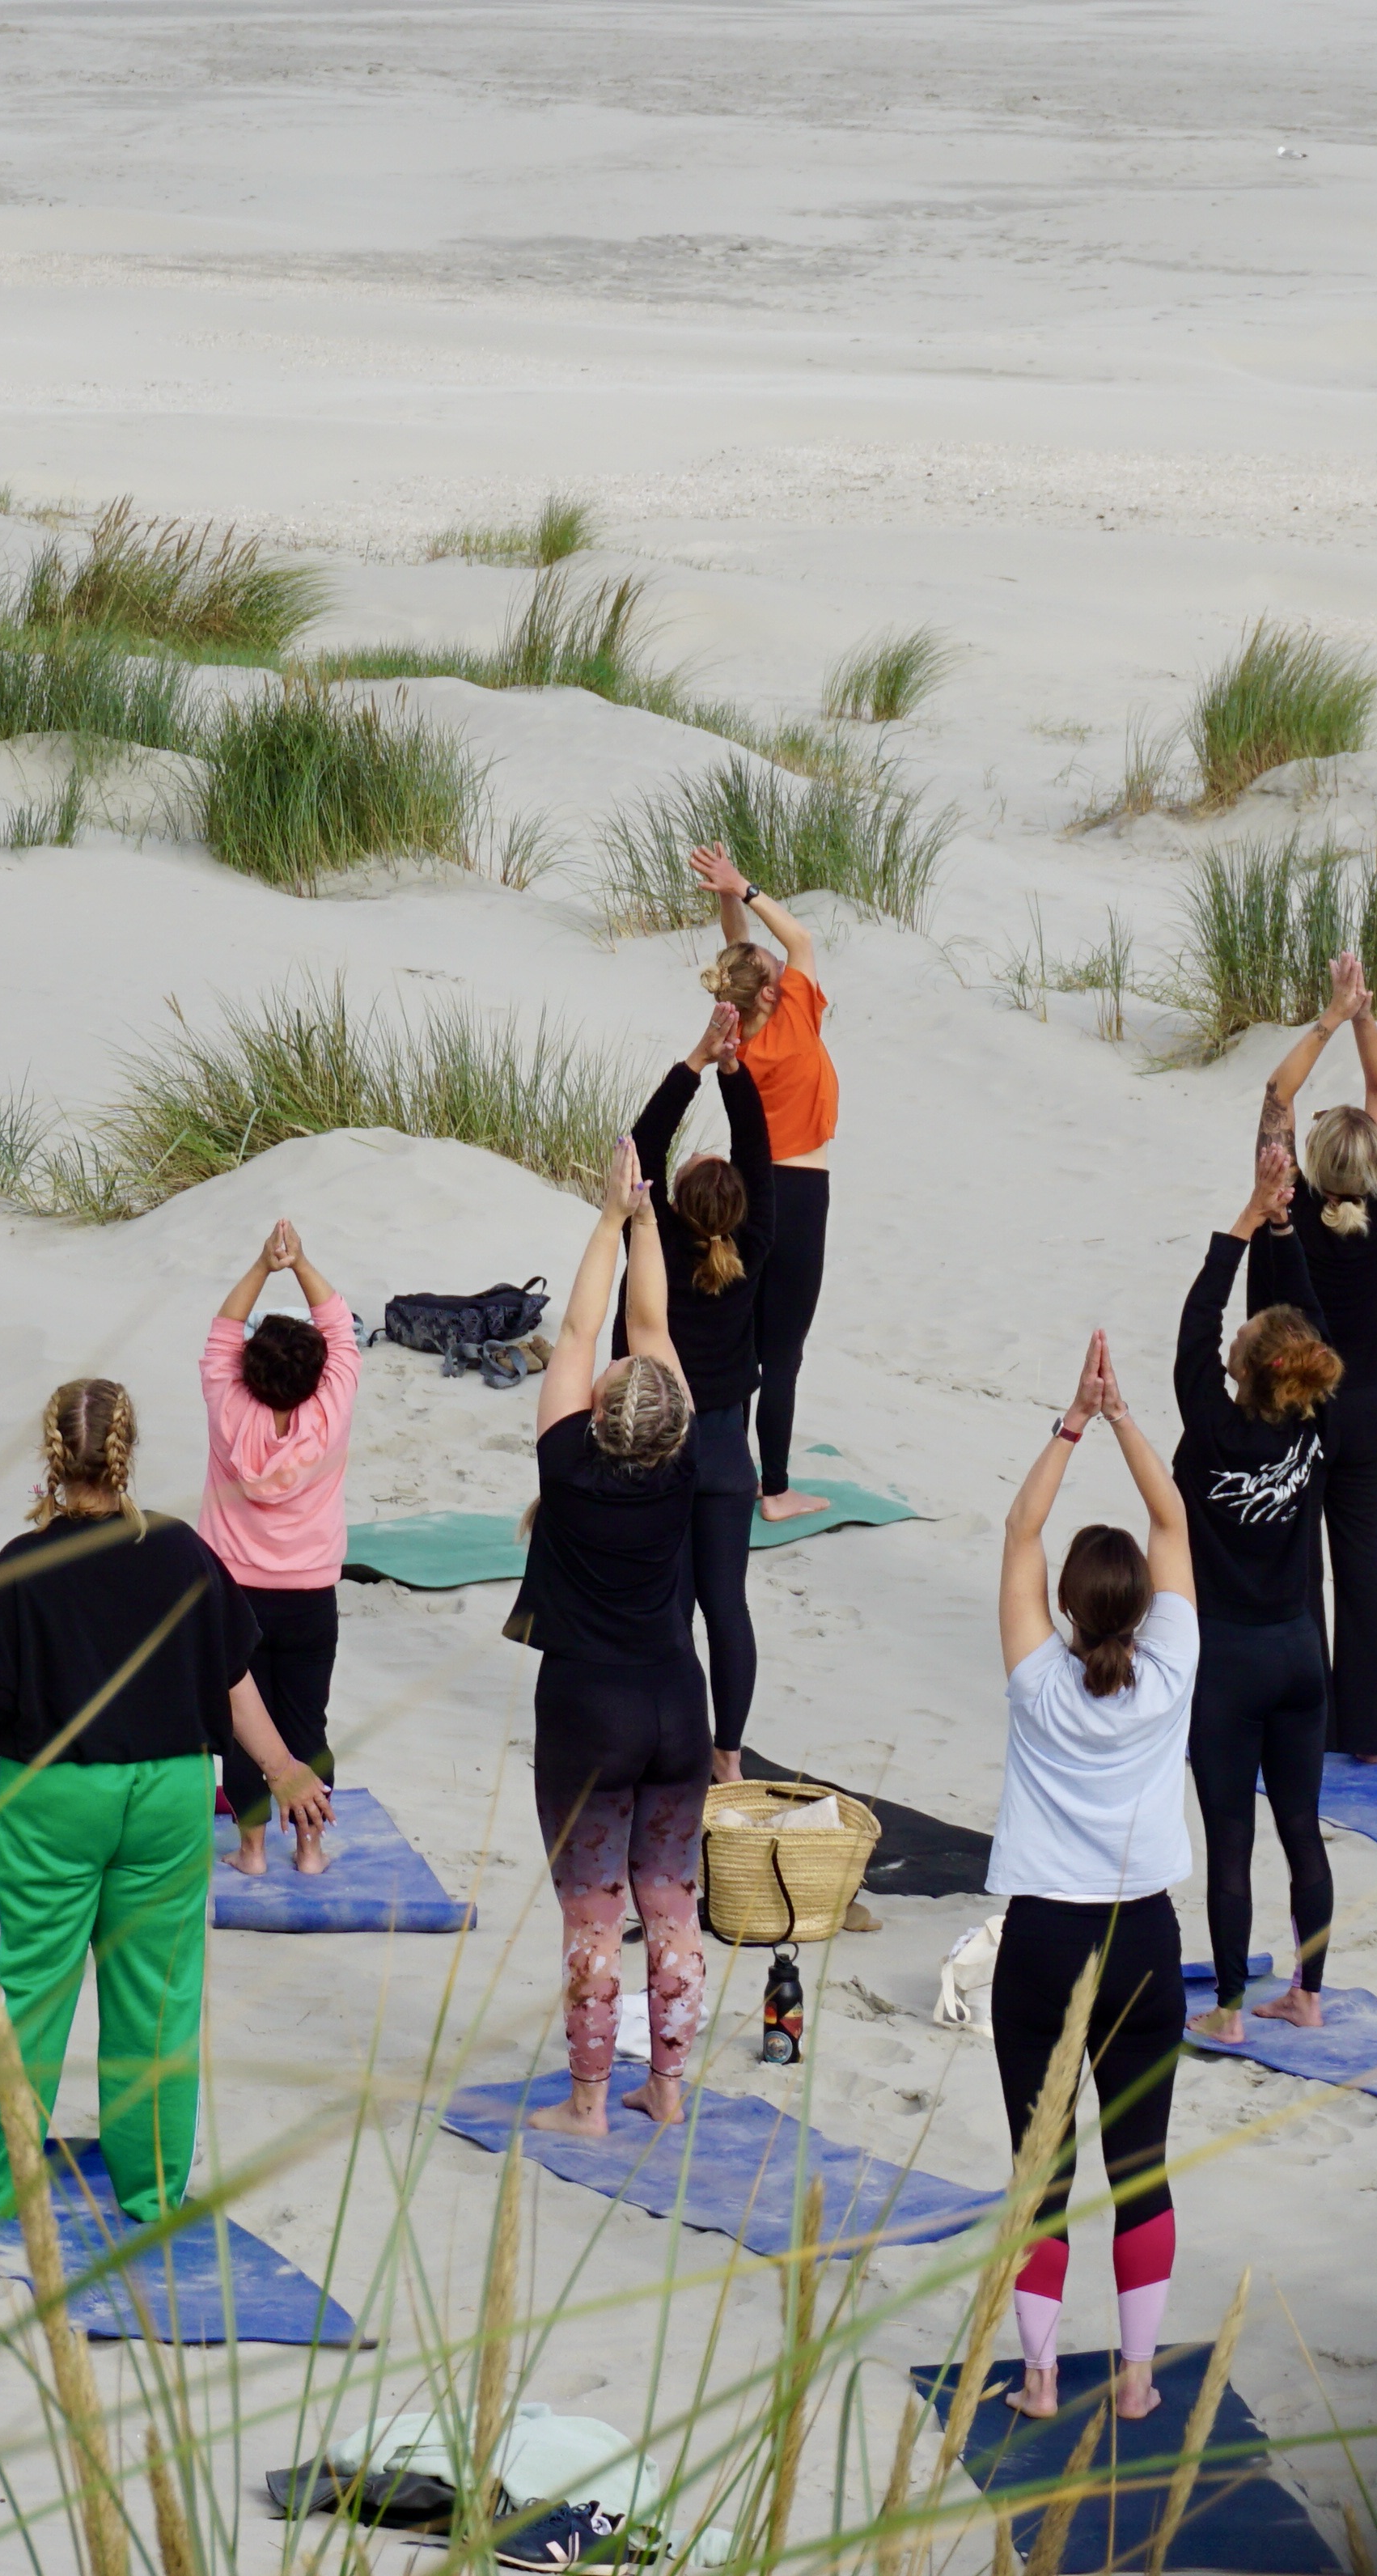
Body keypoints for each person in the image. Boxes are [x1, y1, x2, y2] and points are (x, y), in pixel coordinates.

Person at [0, 1379, 330, 2222]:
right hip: (169, 1795)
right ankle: (152, 2189)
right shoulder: (184, 1550)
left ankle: (0, 2185)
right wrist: (284, 1768)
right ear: (126, 1452)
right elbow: (235, 1681)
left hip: (52, 1801)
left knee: (25, 1993)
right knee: (157, 2001)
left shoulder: (23, 1565)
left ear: (52, 1456)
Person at [990, 1329, 1200, 2424]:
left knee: (1044, 2168)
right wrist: (1125, 1421)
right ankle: (1133, 2377)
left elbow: (1022, 1528)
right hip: (1142, 1943)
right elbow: (1171, 1522)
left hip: (1042, 1945)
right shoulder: (1169, 1669)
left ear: (1071, 1608)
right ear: (1140, 1612)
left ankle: (1034, 2375)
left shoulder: (1037, 1680)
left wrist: (1073, 1419)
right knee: (1141, 2165)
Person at [523, 1138, 713, 2134]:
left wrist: (607, 1215)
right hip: (679, 1703)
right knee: (671, 1902)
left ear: (600, 1415)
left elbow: (582, 1326)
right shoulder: (682, 1467)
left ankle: (591, 2101)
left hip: (588, 1712)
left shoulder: (567, 1463)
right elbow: (645, 1322)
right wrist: (645, 1222)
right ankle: (669, 2088)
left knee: (596, 1914)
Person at [1175, 1142, 1338, 2040]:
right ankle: (1309, 1995)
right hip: (1300, 1649)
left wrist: (1245, 1221)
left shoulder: (1210, 1430)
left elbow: (1198, 1318)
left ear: (1244, 1370)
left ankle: (1232, 2008)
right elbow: (1308, 1319)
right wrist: (1284, 1224)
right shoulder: (1320, 1422)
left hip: (1229, 1657)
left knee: (1232, 1840)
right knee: (1304, 1830)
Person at [1256, 951, 1377, 1761]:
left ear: (1316, 1166)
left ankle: (1311, 1720)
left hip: (1310, 1407)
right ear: (1374, 1165)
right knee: (1364, 1570)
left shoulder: (1292, 1204)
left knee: (1304, 1566)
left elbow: (1279, 1094)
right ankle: (1368, 1734)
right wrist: (1364, 1018)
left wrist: (1330, 1013)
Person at [630, 994, 773, 1777]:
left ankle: (676, 1736)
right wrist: (735, 1070)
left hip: (655, 1455)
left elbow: (644, 1144)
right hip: (723, 1459)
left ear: (675, 1203)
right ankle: (727, 1756)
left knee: (670, 1609)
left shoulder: (653, 1240)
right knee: (728, 1607)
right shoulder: (753, 1242)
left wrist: (697, 1058)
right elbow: (757, 1150)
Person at [201, 1216, 362, 1877]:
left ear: (247, 1372)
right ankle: (311, 1848)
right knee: (306, 1724)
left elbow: (221, 1331)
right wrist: (300, 1263)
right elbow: (341, 1326)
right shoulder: (332, 1408)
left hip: (233, 1594)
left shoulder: (227, 1405)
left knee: (245, 1728)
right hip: (310, 1595)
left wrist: (262, 1265)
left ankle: (252, 1850)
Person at [693, 842, 843, 1522]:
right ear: (774, 990)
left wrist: (727, 892)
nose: (785, 964)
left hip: (747, 1195)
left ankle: (727, 1468)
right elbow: (800, 936)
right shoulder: (796, 1015)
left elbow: (742, 952)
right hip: (800, 1198)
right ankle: (775, 1488)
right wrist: (745, 886)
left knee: (743, 1343)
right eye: (776, 969)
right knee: (782, 1353)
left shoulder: (737, 1044)